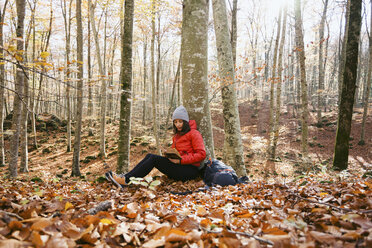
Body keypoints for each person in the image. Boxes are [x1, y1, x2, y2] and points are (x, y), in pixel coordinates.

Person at [105, 106, 206, 188]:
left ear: (186, 121)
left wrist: (180, 160)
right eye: (175, 122)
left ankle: (126, 181)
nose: (178, 124)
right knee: (150, 155)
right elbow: (177, 153)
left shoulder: (194, 133)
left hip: (190, 170)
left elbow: (201, 154)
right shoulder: (177, 136)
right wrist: (169, 155)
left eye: (180, 121)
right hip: (179, 167)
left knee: (153, 159)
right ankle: (126, 177)